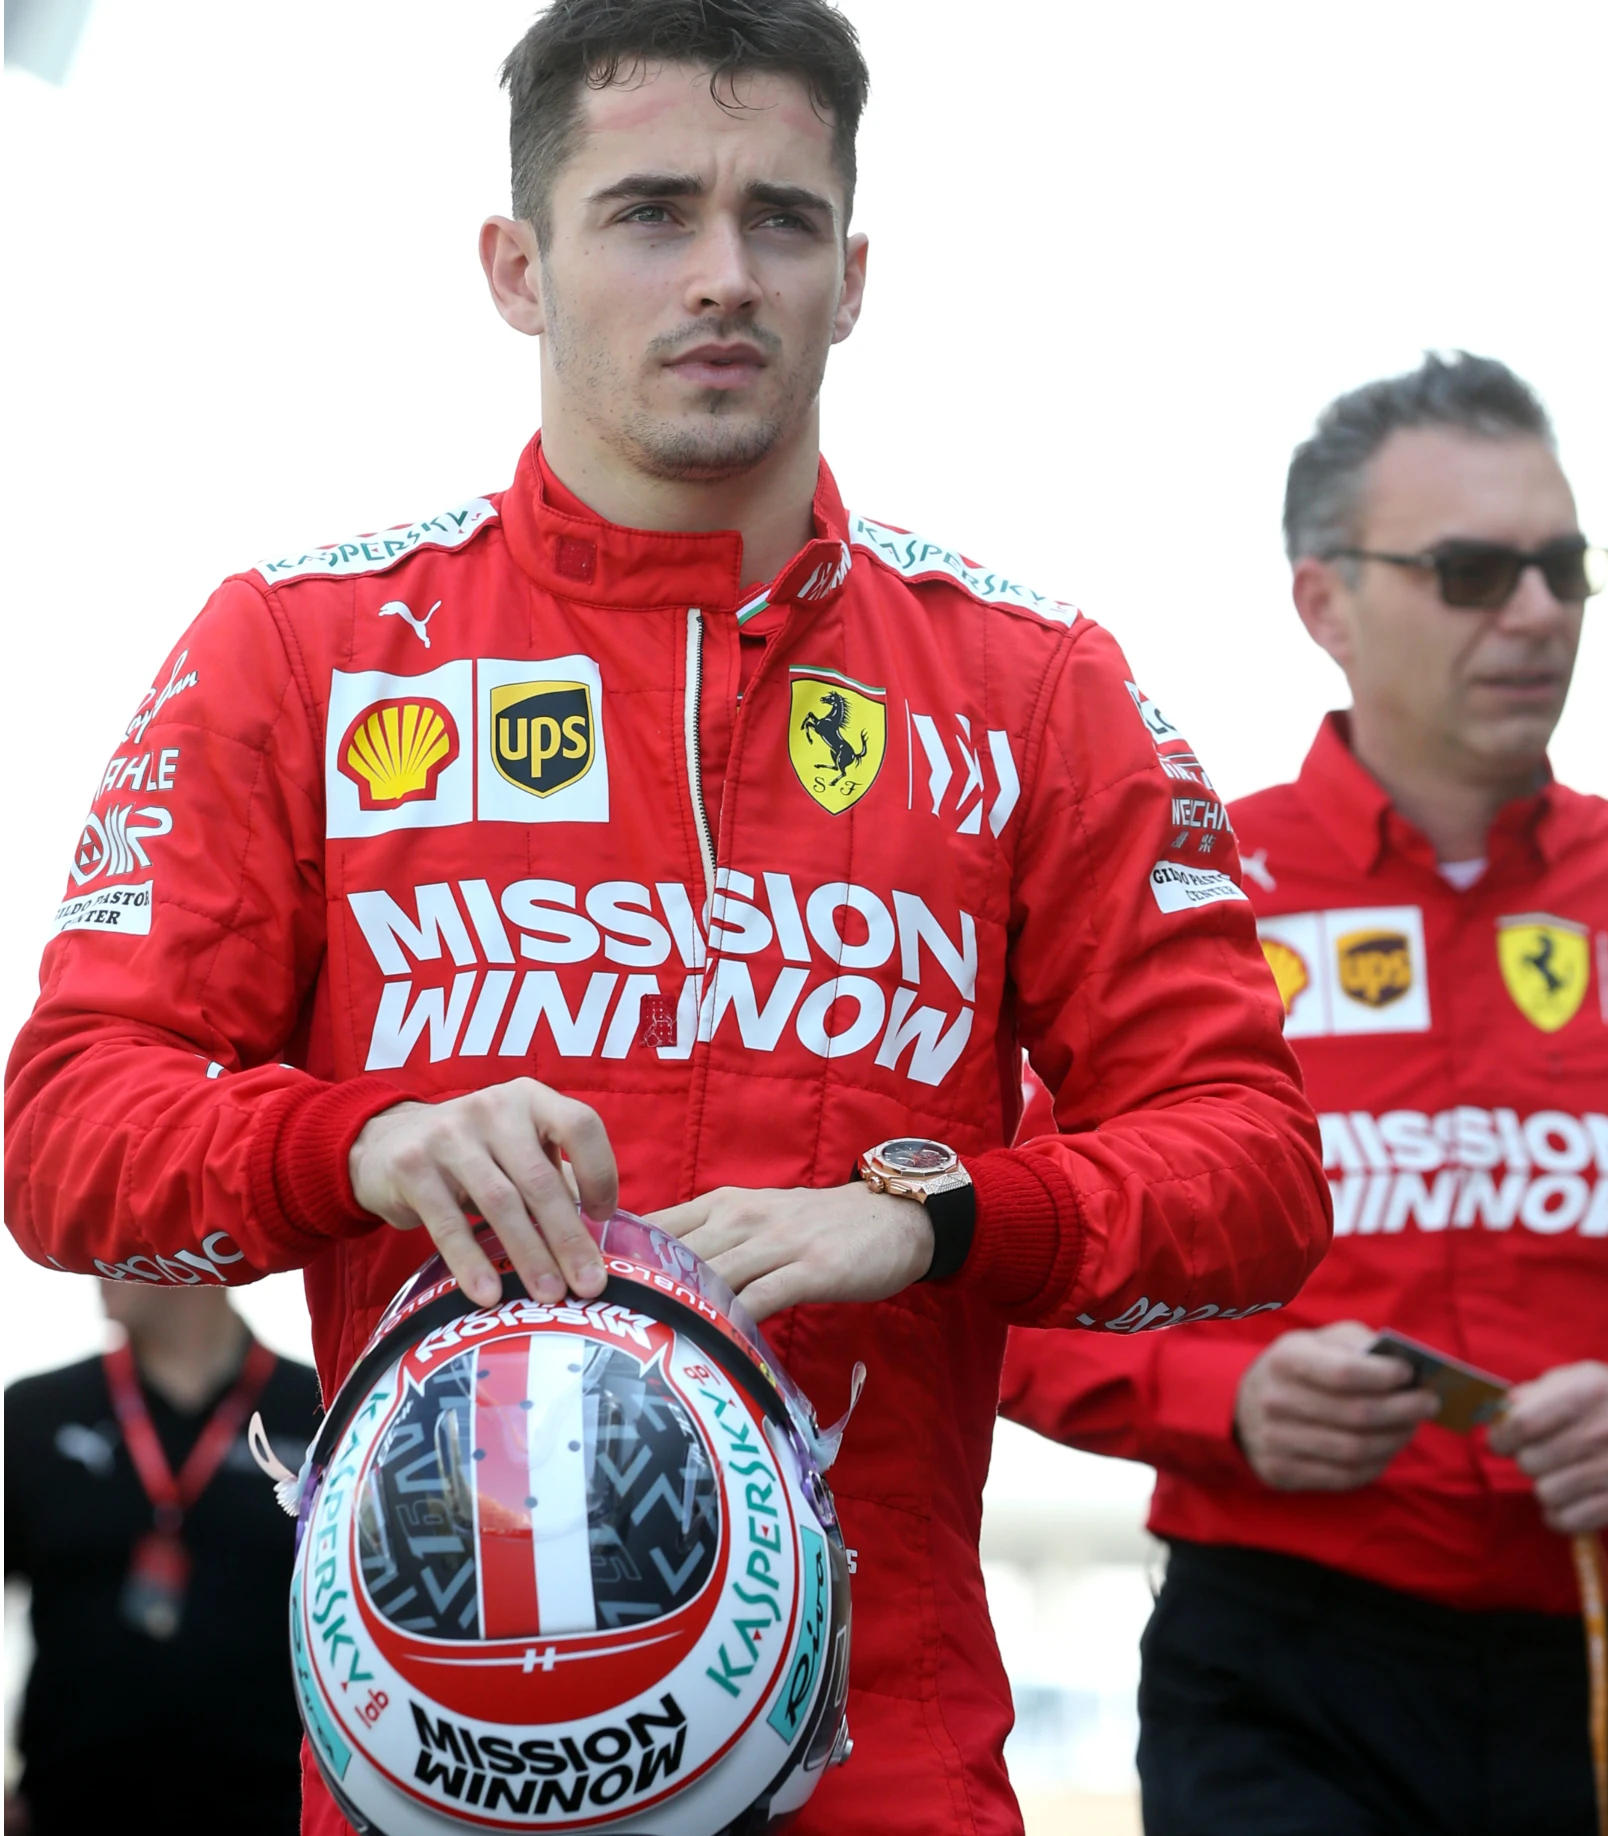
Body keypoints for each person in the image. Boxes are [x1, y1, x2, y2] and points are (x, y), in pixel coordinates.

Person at [1, 3, 1329, 1830]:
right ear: (516, 267)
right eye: (648, 213)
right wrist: (359, 1138)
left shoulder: (1036, 686)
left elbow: (1257, 1175)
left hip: (884, 1759)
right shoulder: (299, 650)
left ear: (852, 274)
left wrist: (939, 1211)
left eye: (778, 219)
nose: (723, 275)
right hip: (431, 1765)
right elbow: (66, 1136)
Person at [1000, 352, 1608, 1835]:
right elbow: (997, 1265)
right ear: (1323, 603)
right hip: (1278, 1651)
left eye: (1561, 568)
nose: (1535, 614)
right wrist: (1225, 1402)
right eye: (1473, 571)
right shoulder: (1192, 896)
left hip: (1587, 1643)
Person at [5, 1284, 319, 1834]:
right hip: (70, 1809)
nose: (93, 1257)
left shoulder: (320, 1416)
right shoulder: (33, 1413)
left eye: (121, 1231)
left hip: (273, 1812)